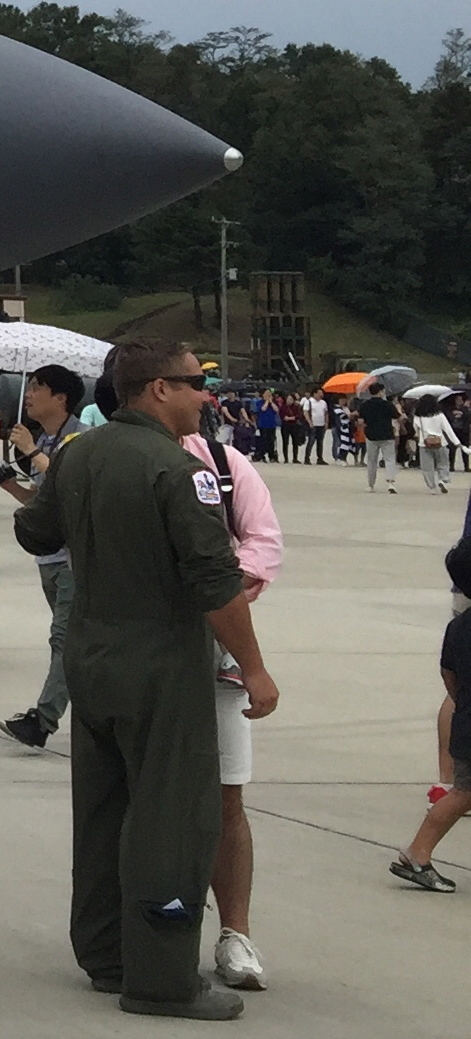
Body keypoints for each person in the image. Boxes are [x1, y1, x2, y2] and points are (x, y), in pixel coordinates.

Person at [12, 340, 276, 1017]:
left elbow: (35, 533)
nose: (204, 396)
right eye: (194, 383)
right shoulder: (179, 470)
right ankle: (161, 977)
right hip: (161, 667)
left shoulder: (78, 455)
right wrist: (253, 668)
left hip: (91, 659)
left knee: (102, 812)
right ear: (159, 388)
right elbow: (215, 580)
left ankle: (106, 955)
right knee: (173, 818)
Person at [184, 409, 282, 991]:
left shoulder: (224, 463)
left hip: (218, 652)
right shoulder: (110, 459)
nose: (200, 397)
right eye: (190, 383)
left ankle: (234, 933)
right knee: (138, 794)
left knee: (227, 798)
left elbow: (264, 543)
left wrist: (216, 585)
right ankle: (144, 928)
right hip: (143, 650)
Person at [0, 363, 93, 752]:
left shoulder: (79, 440)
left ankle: (42, 720)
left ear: (61, 398)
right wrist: (8, 485)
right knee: (77, 645)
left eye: (38, 387)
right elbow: (43, 499)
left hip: (73, 559)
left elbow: (71, 482)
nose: (29, 395)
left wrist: (31, 451)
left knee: (64, 640)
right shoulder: (45, 441)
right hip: (48, 558)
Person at [391, 585, 471, 891]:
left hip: (465, 723)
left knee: (464, 792)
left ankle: (417, 853)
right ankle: (417, 852)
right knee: (463, 793)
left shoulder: (458, 626)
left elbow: (449, 676)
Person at [413, 392, 458, 495]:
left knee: (427, 468)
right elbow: (448, 429)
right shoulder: (440, 415)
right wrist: (456, 442)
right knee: (443, 464)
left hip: (424, 443)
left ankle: (432, 487)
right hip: (440, 442)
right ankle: (442, 479)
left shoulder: (418, 417)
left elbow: (416, 429)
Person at [362, 391, 403, 492]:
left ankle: (371, 484)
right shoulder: (387, 404)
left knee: (371, 461)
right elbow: (398, 417)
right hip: (387, 434)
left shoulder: (365, 404)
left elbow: (360, 421)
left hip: (371, 435)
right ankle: (391, 483)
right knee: (389, 459)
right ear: (380, 392)